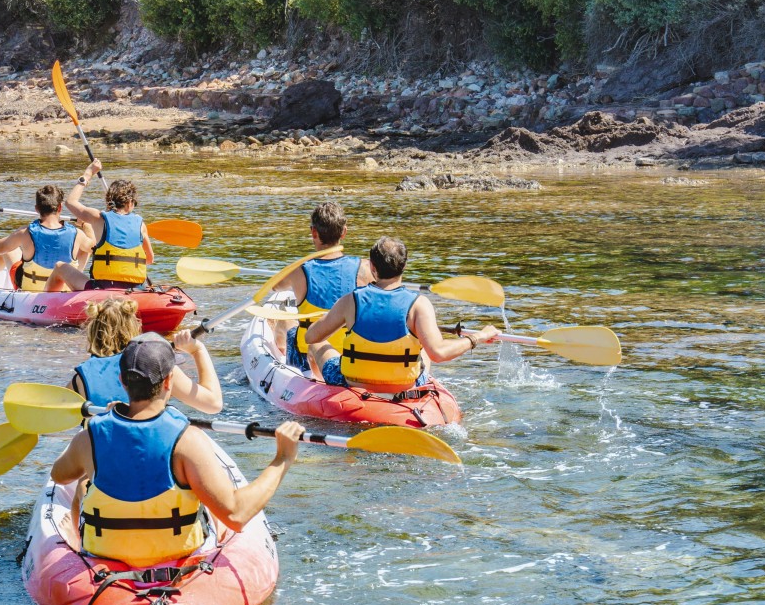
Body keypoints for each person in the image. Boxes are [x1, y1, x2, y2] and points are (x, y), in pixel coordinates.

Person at [50, 335, 304, 566]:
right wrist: (282, 458)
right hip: (177, 559)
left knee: (88, 485)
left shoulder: (90, 437)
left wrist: (108, 419)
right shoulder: (188, 440)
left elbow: (60, 476)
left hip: (104, 557)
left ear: (122, 381)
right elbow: (236, 515)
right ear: (169, 381)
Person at [306, 235, 500, 394]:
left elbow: (311, 336)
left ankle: (319, 388)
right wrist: (477, 338)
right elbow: (439, 353)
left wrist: (335, 319)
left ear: (372, 267)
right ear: (404, 266)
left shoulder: (350, 301)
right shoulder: (419, 304)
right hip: (404, 386)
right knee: (425, 346)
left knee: (317, 344)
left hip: (352, 384)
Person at [69, 297, 222, 414]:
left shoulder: (81, 378)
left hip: (100, 450)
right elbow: (213, 404)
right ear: (134, 328)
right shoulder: (159, 366)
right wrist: (198, 351)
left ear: (93, 332)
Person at [269, 200, 373, 369]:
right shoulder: (365, 268)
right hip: (349, 355)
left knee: (284, 320)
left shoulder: (300, 271)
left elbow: (275, 287)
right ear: (344, 232)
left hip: (307, 357)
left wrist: (298, 265)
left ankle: (279, 354)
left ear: (313, 232)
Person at [0, 182, 90, 291]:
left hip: (31, 288)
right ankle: (74, 281)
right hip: (64, 288)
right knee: (85, 248)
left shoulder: (24, 233)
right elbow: (94, 246)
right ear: (60, 208)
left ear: (36, 209)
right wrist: (86, 224)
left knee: (9, 247)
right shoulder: (78, 234)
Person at [45, 170, 154, 292]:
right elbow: (149, 259)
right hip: (135, 289)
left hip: (102, 288)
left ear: (108, 202)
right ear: (129, 203)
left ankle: (43, 305)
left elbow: (70, 202)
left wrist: (87, 174)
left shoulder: (98, 218)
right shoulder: (141, 225)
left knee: (60, 267)